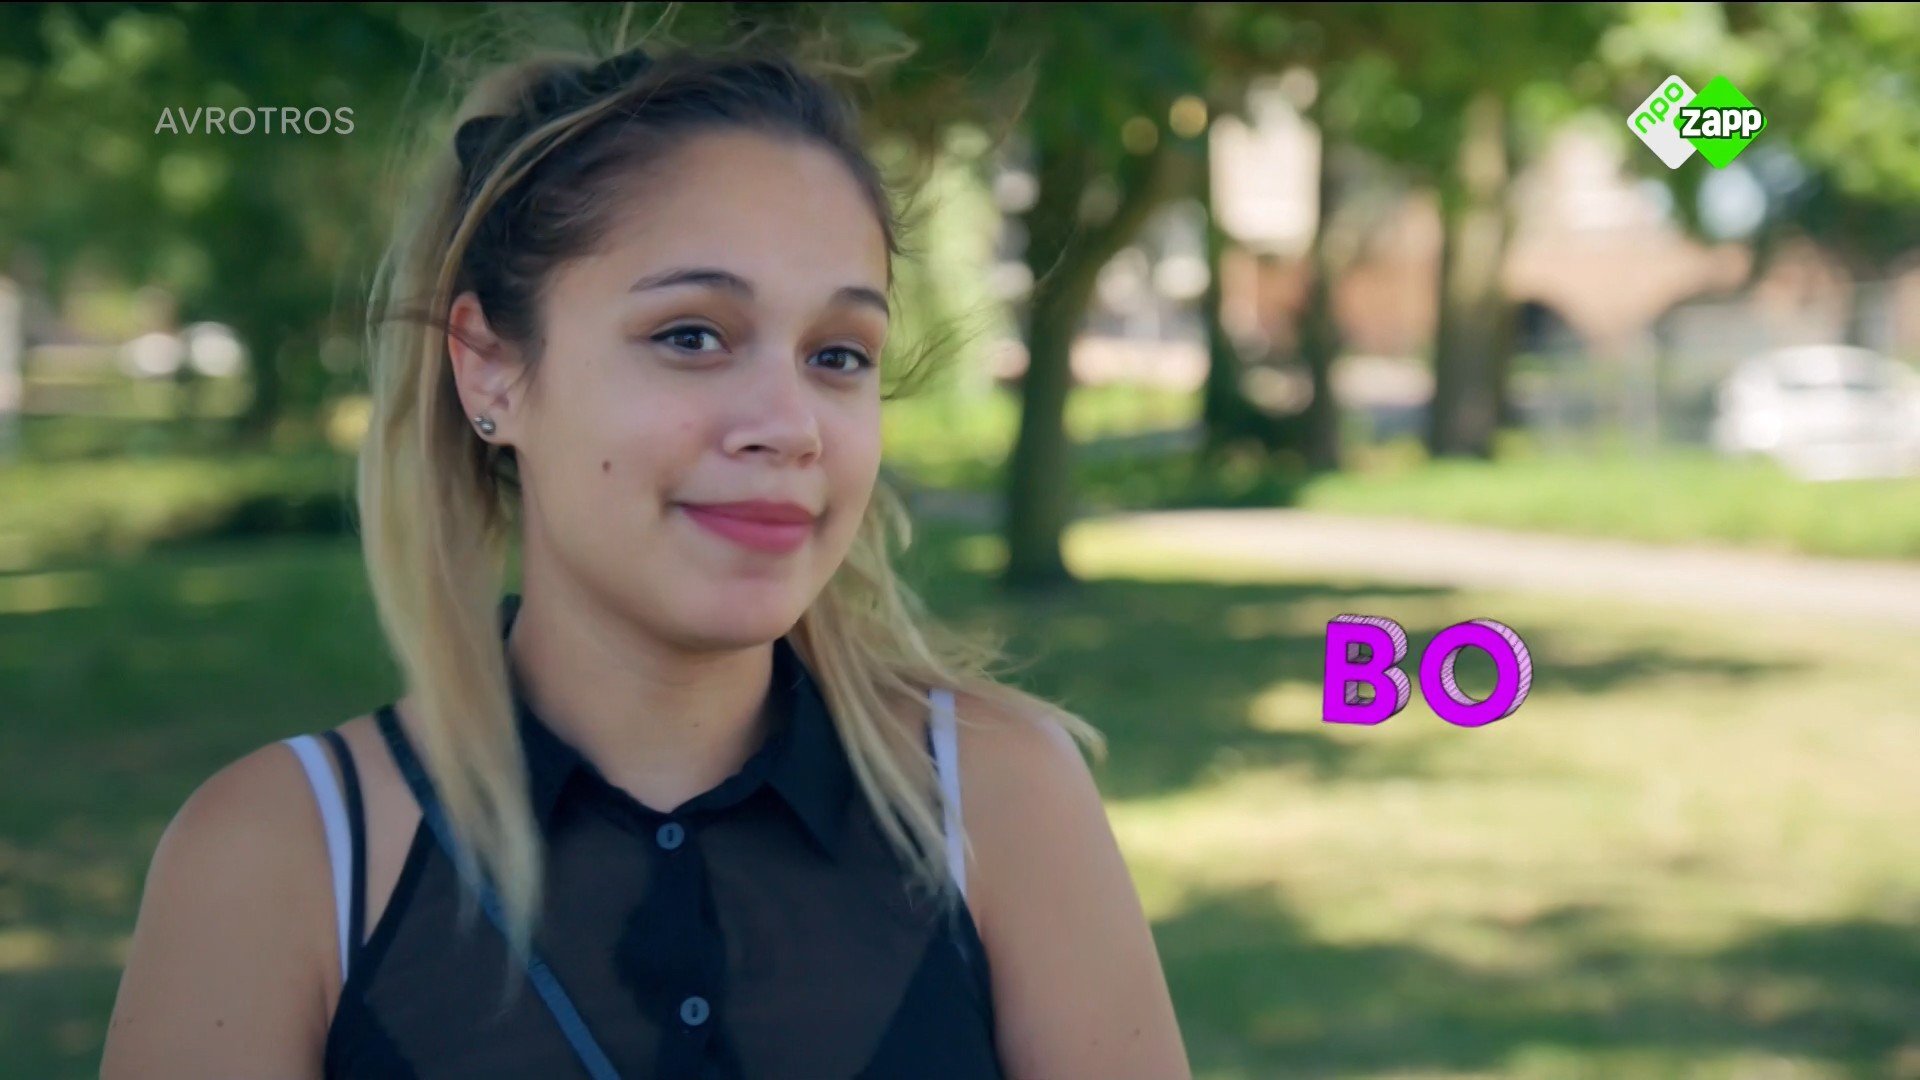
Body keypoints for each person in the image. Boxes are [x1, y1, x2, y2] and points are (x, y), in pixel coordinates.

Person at [100, 39, 1190, 1080]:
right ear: (489, 369)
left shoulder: (1001, 801)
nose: (790, 425)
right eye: (691, 335)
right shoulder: (278, 858)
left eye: (837, 354)